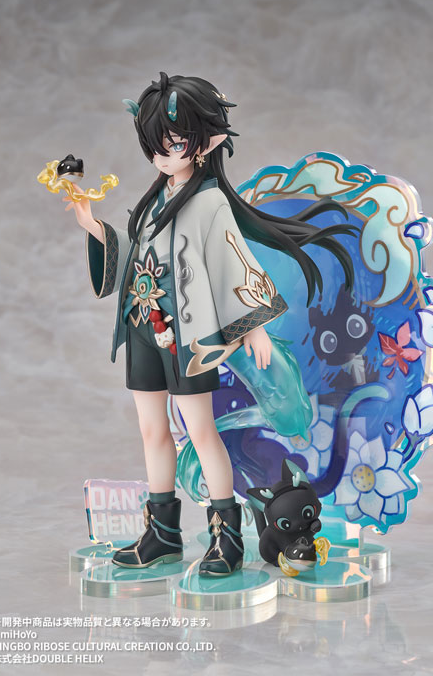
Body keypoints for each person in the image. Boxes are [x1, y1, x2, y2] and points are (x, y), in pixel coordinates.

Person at [64, 72, 355, 577]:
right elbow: (137, 256)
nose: (163, 155)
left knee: (200, 431)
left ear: (208, 142)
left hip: (188, 336)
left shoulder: (209, 201)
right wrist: (93, 225)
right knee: (152, 429)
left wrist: (254, 325)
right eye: (155, 144)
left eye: (174, 143)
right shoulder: (156, 198)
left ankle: (227, 538)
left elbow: (231, 259)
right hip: (143, 324)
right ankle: (162, 534)